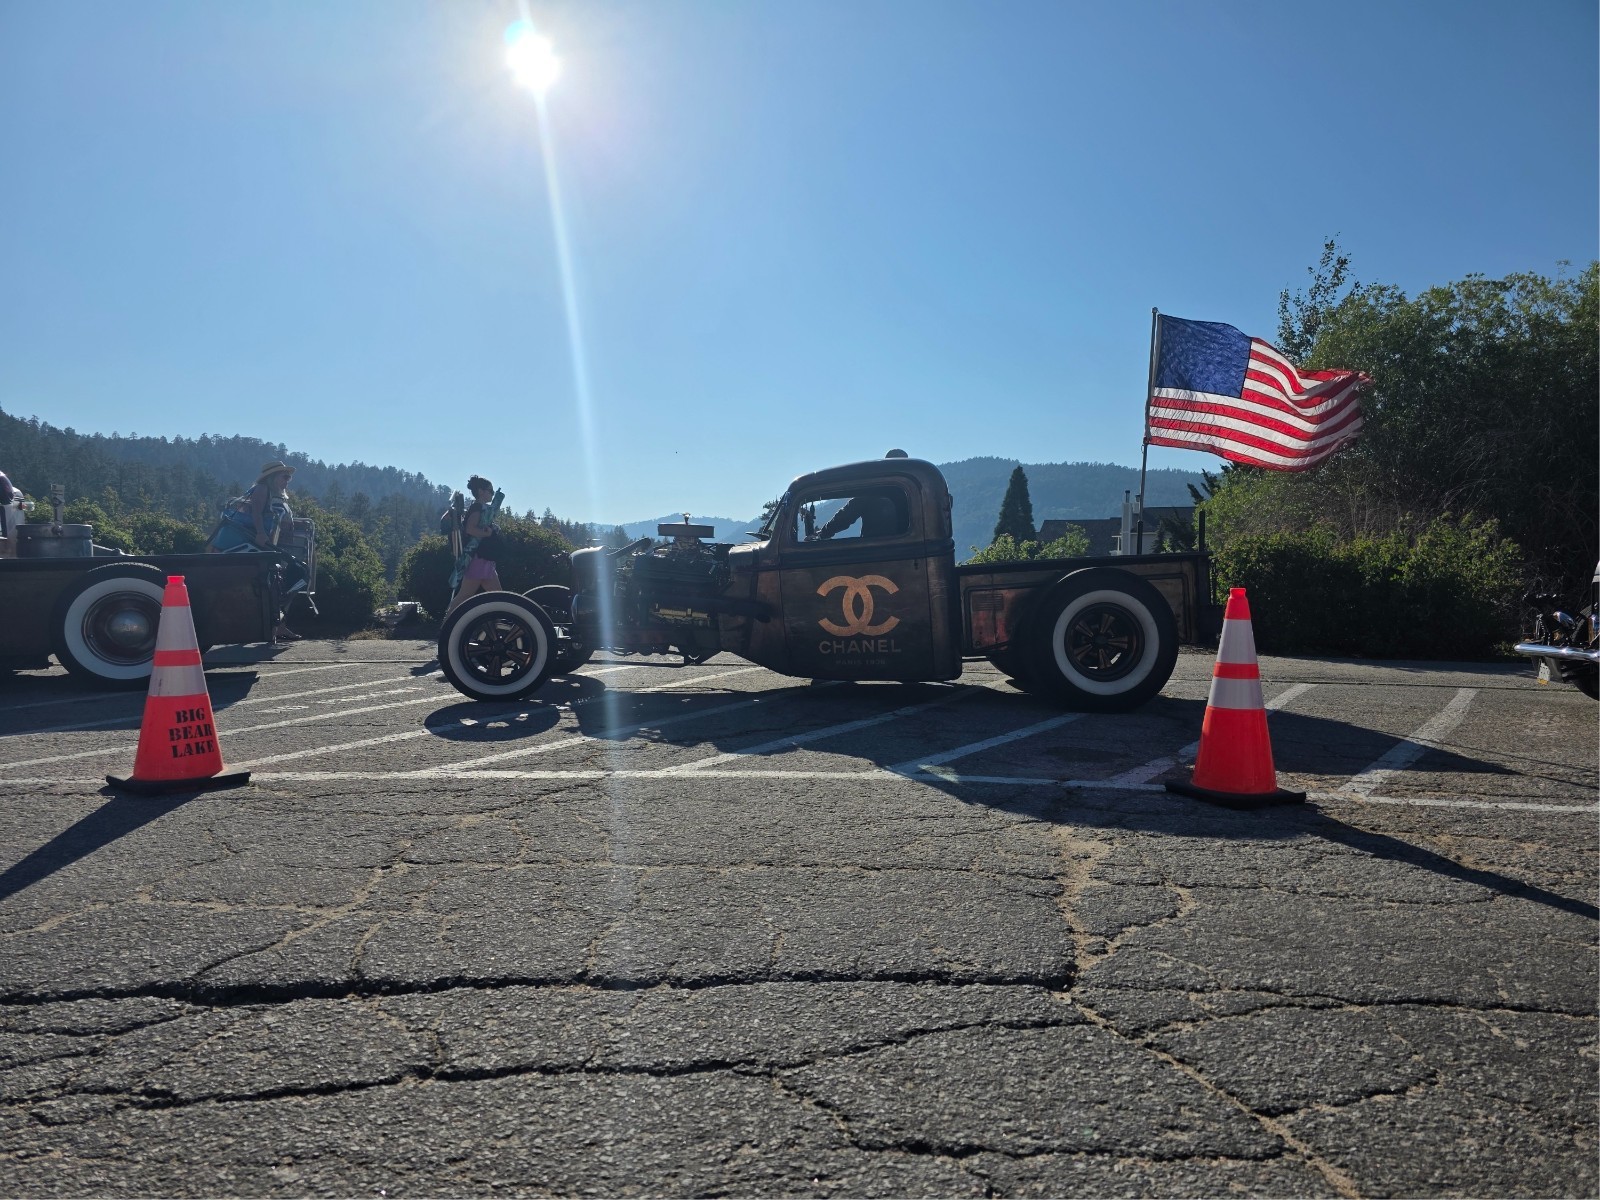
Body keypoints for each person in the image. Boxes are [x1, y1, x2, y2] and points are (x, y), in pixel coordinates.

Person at [210, 460, 308, 642]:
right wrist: (262, 533)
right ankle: (275, 622)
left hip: (260, 544)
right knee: (296, 573)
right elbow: (256, 513)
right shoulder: (262, 489)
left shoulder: (277, 495)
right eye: (284, 476)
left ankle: (278, 622)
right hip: (245, 543)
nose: (288, 480)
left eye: (290, 477)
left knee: (288, 578)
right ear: (272, 477)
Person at [811, 449, 912, 541]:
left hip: (877, 550)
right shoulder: (915, 491)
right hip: (907, 548)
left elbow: (846, 515)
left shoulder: (874, 490)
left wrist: (824, 533)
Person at [445, 475, 504, 615]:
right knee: (465, 596)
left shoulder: (481, 508)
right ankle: (446, 626)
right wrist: (488, 534)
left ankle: (499, 625)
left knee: (500, 597)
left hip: (484, 560)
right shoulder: (477, 507)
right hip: (478, 559)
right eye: (490, 491)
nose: (492, 493)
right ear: (481, 491)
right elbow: (470, 529)